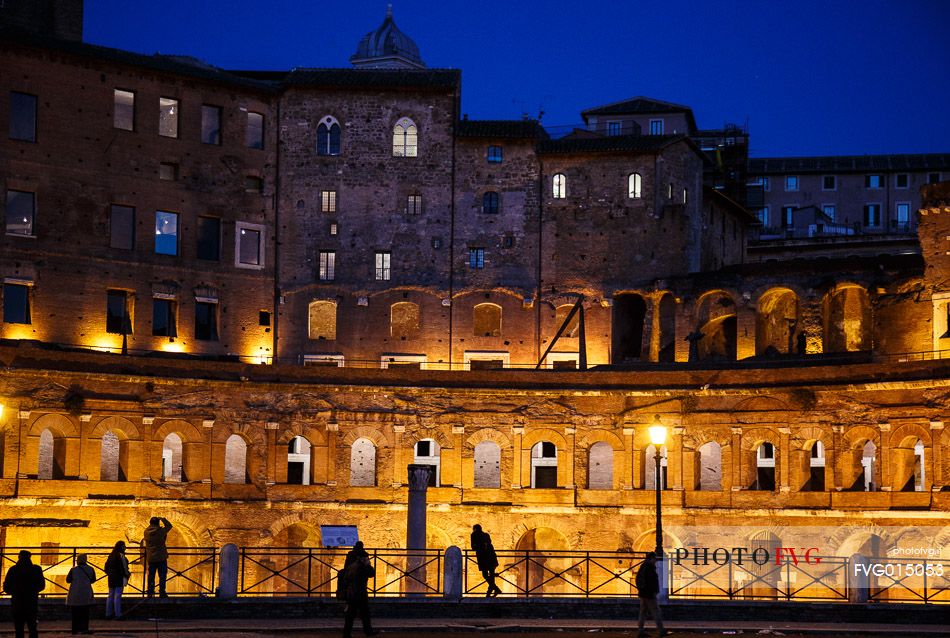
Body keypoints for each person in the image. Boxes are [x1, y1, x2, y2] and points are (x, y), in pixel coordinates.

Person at [3, 549, 45, 638]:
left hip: (17, 601)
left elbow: (6, 586)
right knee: (32, 627)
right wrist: (33, 591)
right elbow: (41, 585)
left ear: (19, 557)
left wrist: (15, 592)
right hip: (31, 601)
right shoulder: (36, 569)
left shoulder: (13, 569)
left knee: (18, 628)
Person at [341, 541, 378, 638]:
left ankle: (346, 633)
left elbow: (345, 574)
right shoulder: (362, 562)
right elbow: (371, 573)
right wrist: (367, 564)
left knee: (351, 614)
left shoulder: (350, 560)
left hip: (351, 591)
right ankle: (368, 631)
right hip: (360, 591)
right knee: (364, 613)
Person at [635, 552, 667, 637]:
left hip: (643, 593)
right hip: (649, 594)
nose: (656, 560)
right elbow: (651, 581)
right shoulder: (649, 567)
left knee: (643, 612)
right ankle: (661, 630)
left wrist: (641, 590)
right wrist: (653, 591)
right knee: (656, 611)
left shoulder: (644, 566)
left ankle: (640, 631)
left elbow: (639, 579)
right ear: (651, 558)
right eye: (655, 558)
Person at [66, 554, 97, 635]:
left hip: (74, 593)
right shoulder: (91, 569)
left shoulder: (73, 570)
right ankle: (84, 629)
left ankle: (75, 630)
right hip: (86, 593)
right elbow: (93, 580)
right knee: (85, 613)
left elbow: (68, 580)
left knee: (75, 613)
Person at [144, 516, 173, 597]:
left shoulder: (146, 531)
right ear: (157, 523)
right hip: (161, 557)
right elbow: (169, 526)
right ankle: (162, 592)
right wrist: (163, 519)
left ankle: (150, 592)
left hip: (151, 558)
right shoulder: (160, 531)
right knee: (162, 575)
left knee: (151, 576)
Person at [470, 524, 501, 597]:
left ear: (474, 529)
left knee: (485, 575)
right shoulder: (486, 535)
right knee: (492, 574)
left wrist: (478, 547)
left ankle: (495, 589)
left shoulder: (474, 535)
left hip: (483, 557)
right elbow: (489, 543)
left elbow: (473, 547)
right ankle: (491, 591)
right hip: (491, 556)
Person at [104, 540, 131, 619]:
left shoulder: (111, 555)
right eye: (124, 546)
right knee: (117, 595)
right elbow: (124, 567)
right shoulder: (121, 556)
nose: (125, 547)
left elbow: (106, 567)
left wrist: (109, 573)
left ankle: (108, 614)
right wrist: (127, 574)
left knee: (110, 595)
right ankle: (118, 614)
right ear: (121, 547)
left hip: (111, 577)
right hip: (119, 577)